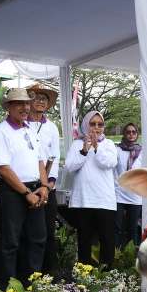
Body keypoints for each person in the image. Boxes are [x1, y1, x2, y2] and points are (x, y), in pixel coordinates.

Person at [0, 88, 49, 288]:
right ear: (8, 107)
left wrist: (43, 186)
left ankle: (31, 285)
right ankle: (9, 289)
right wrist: (25, 193)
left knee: (37, 239)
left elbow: (41, 161)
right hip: (12, 192)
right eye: (19, 104)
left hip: (35, 188)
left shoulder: (30, 130)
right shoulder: (0, 132)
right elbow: (3, 168)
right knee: (11, 243)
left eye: (26, 103)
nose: (25, 107)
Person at [65, 111, 118, 268]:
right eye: (92, 123)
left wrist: (96, 147)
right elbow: (70, 167)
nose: (96, 127)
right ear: (85, 125)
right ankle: (84, 278)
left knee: (107, 241)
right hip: (83, 201)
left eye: (100, 124)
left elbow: (109, 163)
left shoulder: (108, 144)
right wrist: (84, 150)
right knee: (84, 241)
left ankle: (106, 278)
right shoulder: (76, 144)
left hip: (104, 201)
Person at [26, 83, 61, 275]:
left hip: (48, 185)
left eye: (44, 99)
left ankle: (50, 271)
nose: (40, 101)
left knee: (48, 230)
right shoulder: (22, 124)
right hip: (27, 185)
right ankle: (29, 272)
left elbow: (54, 156)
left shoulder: (52, 127)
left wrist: (48, 183)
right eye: (36, 97)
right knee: (29, 231)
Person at [114, 123, 143, 249]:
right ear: (124, 134)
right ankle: (115, 255)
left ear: (137, 134)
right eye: (128, 132)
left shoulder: (142, 151)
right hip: (119, 194)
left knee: (133, 229)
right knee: (117, 228)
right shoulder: (117, 150)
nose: (131, 134)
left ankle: (131, 259)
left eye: (134, 132)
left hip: (135, 195)